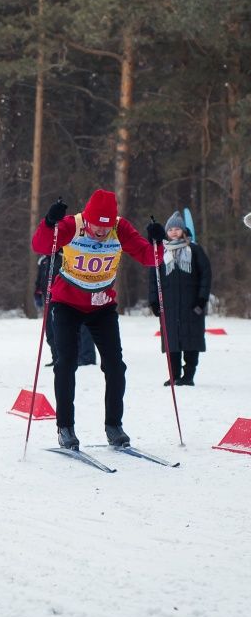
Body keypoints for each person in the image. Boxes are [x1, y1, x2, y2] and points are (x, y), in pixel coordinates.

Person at [33, 189, 165, 450]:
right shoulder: (72, 225)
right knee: (65, 363)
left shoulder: (120, 228)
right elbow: (40, 245)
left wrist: (157, 242)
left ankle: (114, 426)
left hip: (102, 305)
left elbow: (151, 258)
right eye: (96, 226)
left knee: (116, 366)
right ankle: (65, 428)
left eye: (106, 228)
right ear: (88, 218)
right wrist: (49, 223)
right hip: (67, 303)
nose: (101, 232)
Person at [149, 211, 211, 386]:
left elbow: (206, 275)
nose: (174, 232)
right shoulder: (160, 252)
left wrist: (202, 299)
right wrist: (154, 301)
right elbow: (153, 279)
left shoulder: (195, 250)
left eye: (177, 229)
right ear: (166, 232)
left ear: (183, 231)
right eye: (171, 229)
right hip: (168, 306)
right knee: (171, 342)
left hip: (192, 305)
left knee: (191, 341)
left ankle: (188, 374)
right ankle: (174, 374)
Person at [34, 253, 97, 367]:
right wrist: (37, 293)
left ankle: (86, 357)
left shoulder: (66, 255)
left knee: (79, 327)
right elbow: (40, 279)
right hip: (49, 299)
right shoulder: (43, 260)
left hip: (66, 298)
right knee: (51, 329)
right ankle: (57, 357)